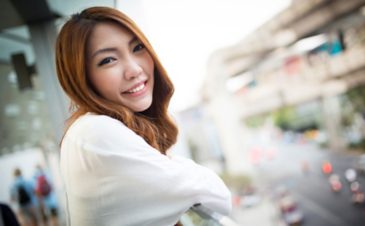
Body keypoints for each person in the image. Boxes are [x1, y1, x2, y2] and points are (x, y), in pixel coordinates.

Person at [55, 6, 232, 226]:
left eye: (137, 48)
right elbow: (219, 197)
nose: (134, 69)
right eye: (108, 60)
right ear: (82, 78)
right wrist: (173, 165)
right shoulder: (94, 132)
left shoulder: (93, 130)